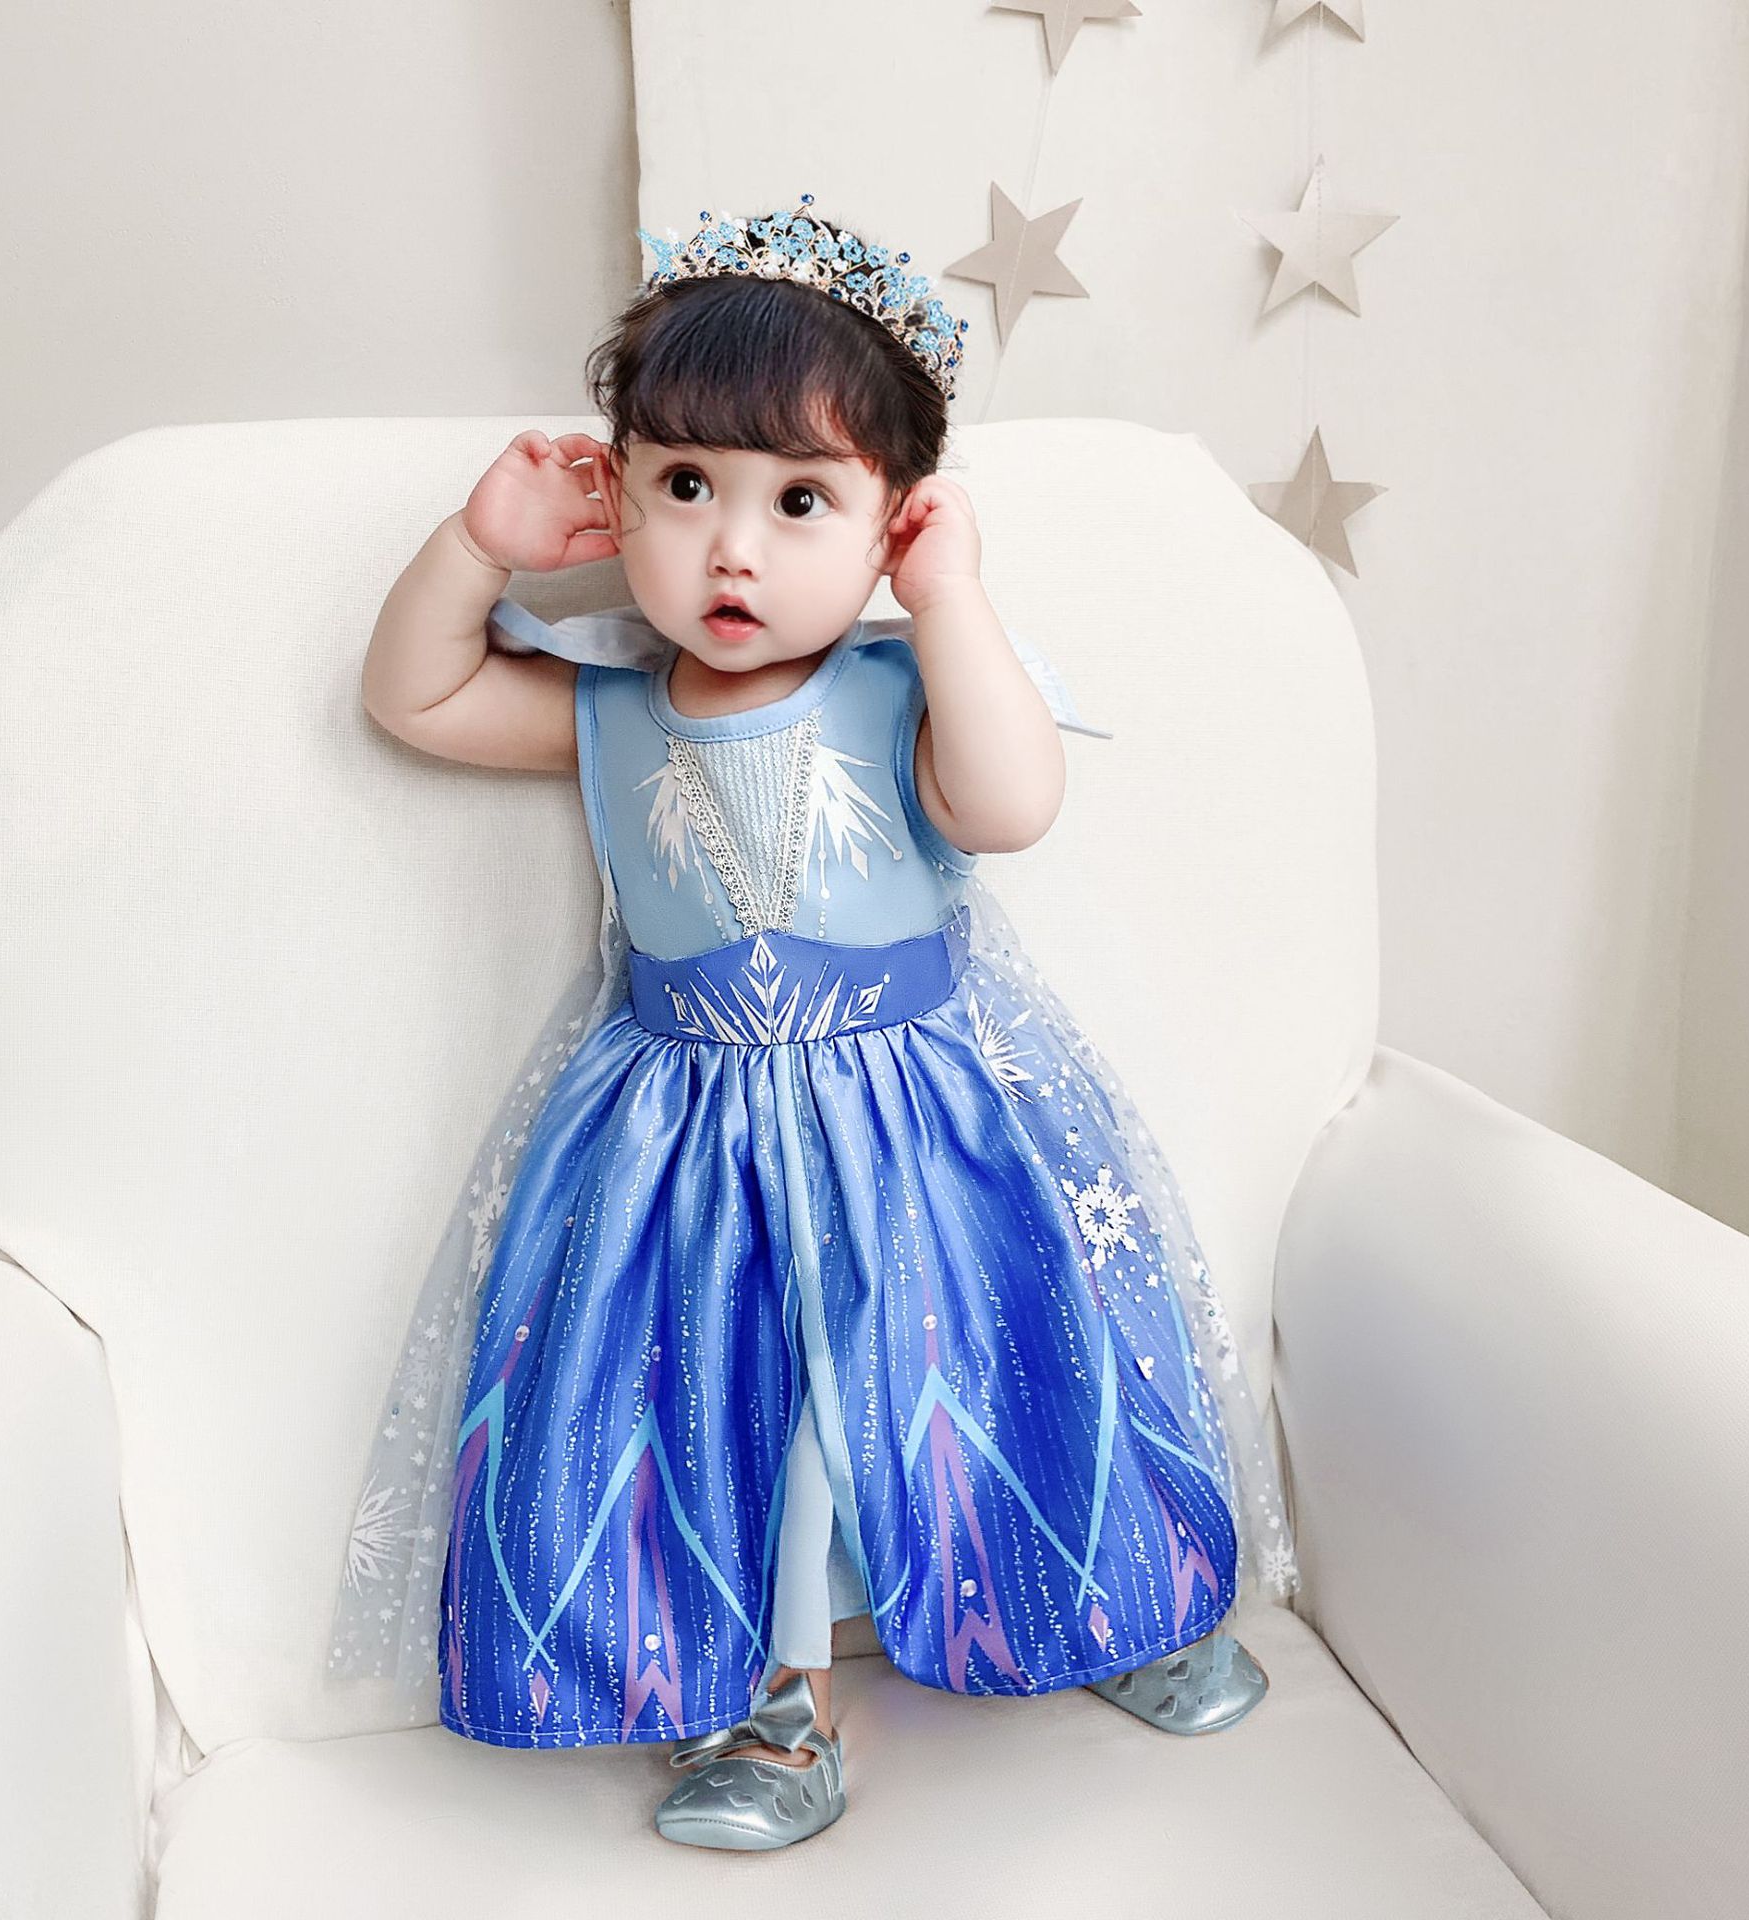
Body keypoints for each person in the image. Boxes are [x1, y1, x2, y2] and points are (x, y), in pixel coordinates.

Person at [325, 194, 1300, 1853]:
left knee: (998, 1361)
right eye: (685, 488)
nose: (734, 551)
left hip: (916, 1119)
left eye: (800, 502)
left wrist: (954, 601)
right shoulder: (609, 703)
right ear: (620, 489)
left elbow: (1009, 806)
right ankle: (775, 1715)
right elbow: (412, 694)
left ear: (890, 527)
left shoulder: (901, 683)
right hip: (685, 1140)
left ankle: (1115, 1609)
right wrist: (481, 544)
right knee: (743, 1414)